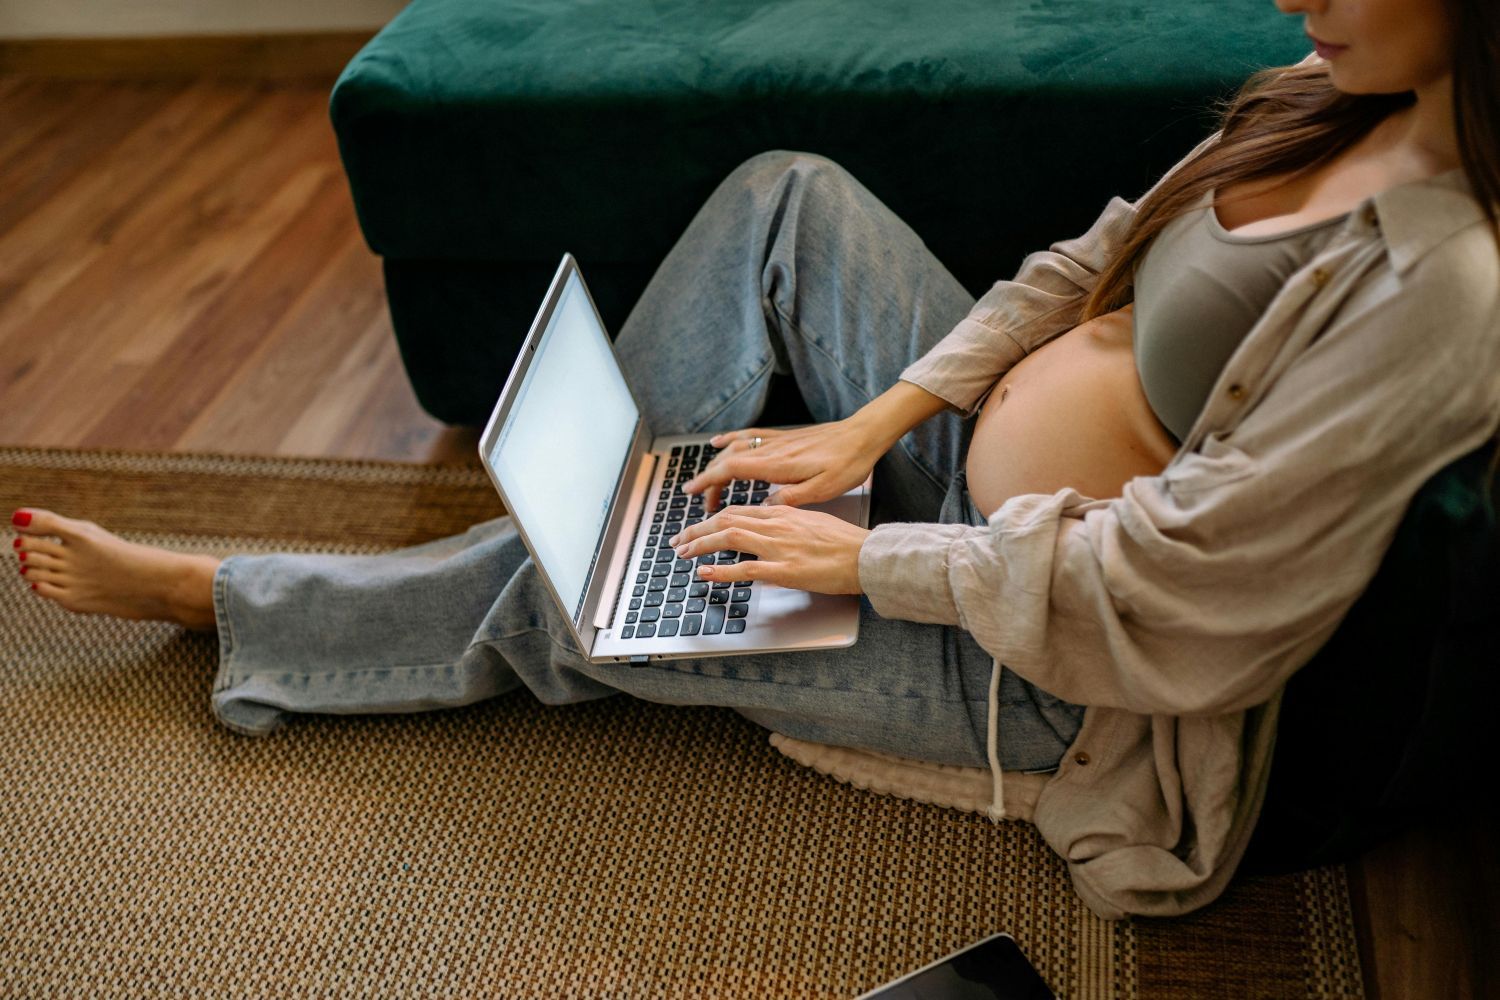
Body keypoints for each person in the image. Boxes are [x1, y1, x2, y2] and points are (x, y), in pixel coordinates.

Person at [10, 0, 1497, 918]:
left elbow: (1187, 585)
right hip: (964, 481)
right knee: (790, 199)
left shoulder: (1448, 290)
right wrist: (873, 426)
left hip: (1045, 665)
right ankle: (610, 537)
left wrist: (860, 558)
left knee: (609, 598)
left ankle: (256, 602)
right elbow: (1084, 265)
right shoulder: (1330, 96)